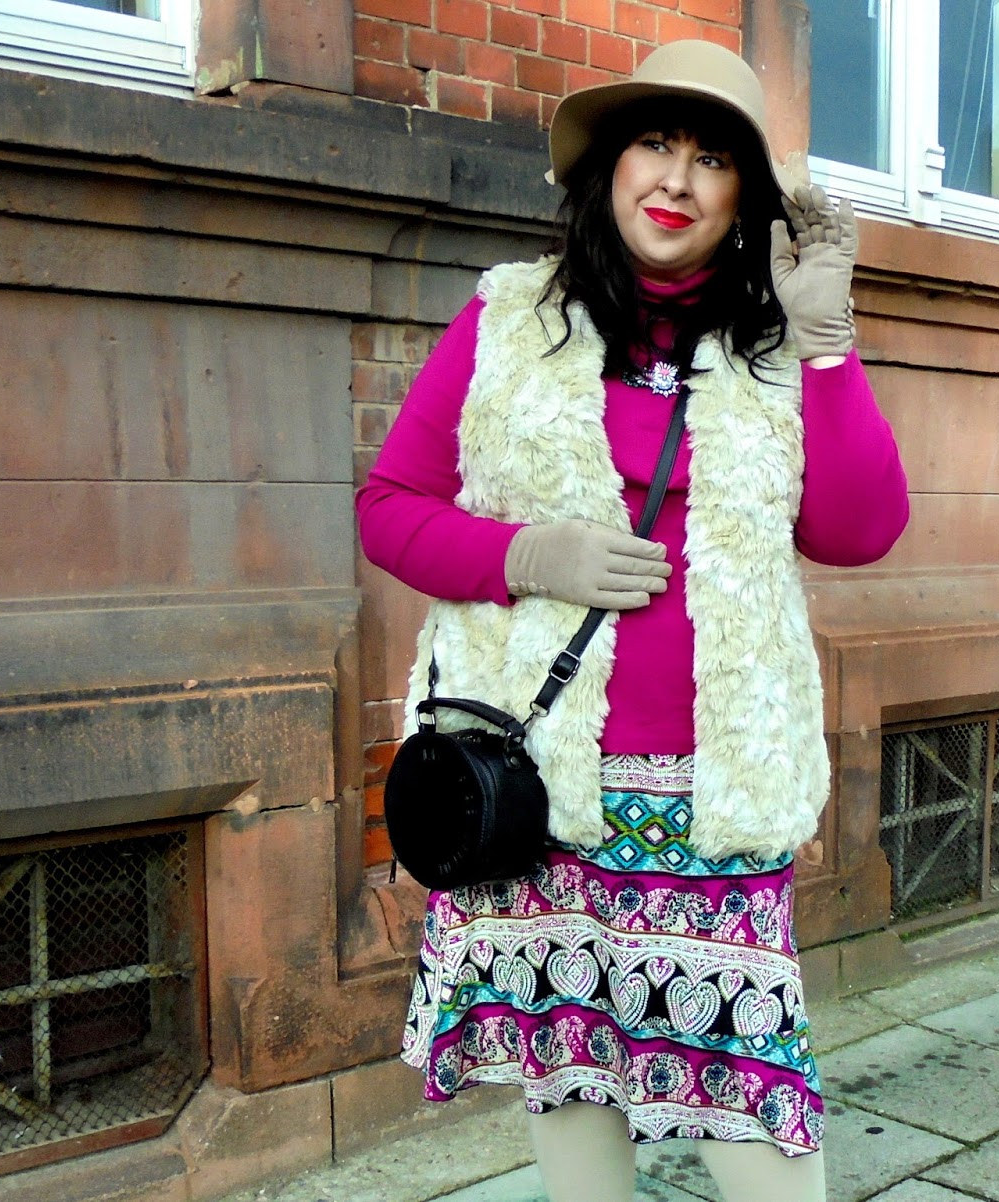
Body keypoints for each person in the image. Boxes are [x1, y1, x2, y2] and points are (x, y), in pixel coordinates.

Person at [357, 39, 910, 1202]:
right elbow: (390, 508)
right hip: (537, 785)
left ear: (743, 197)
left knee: (754, 1098)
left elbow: (860, 529)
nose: (676, 178)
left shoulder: (776, 349)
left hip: (711, 798)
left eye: (712, 158)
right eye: (655, 143)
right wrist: (525, 553)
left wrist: (826, 340)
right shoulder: (507, 320)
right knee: (570, 1079)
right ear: (609, 166)